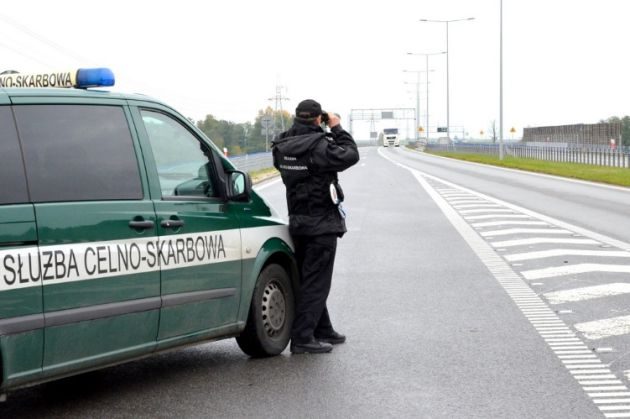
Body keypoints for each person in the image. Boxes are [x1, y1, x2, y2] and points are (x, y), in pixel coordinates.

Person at [271, 99, 359, 354]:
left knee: (309, 278)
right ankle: (302, 338)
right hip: (321, 224)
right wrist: (337, 127)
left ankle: (322, 329)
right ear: (318, 118)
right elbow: (351, 154)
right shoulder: (320, 147)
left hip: (298, 221)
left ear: (297, 117)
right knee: (316, 282)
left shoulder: (282, 146)